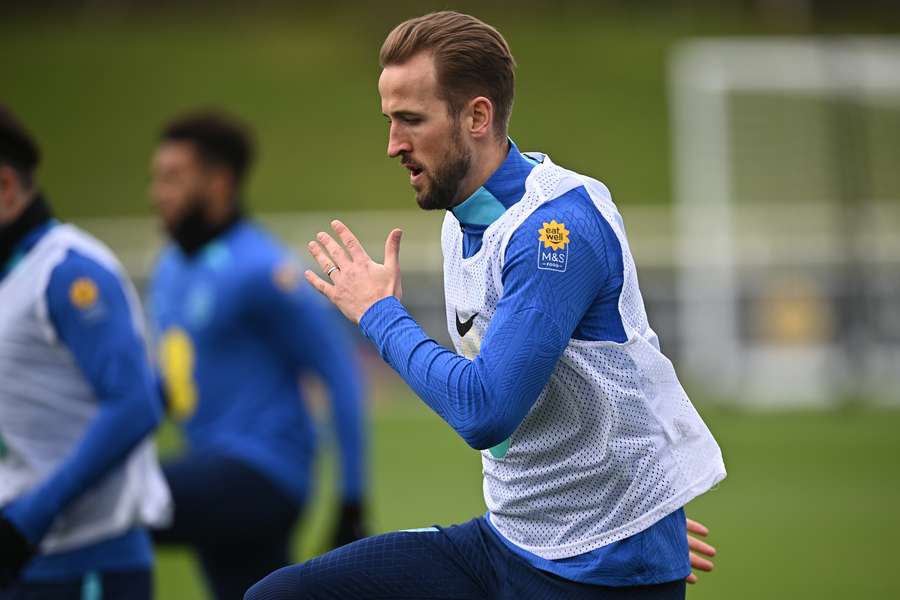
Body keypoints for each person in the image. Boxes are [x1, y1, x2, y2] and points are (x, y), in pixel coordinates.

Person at [246, 11, 726, 600]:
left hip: (595, 575)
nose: (393, 144)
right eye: (390, 120)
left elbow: (486, 410)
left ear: (477, 115)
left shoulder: (555, 229)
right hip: (516, 544)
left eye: (411, 120)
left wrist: (380, 315)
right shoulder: (463, 220)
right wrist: (643, 508)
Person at [147, 111, 368, 600]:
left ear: (220, 182)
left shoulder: (262, 270)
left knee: (100, 506)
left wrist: (352, 498)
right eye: (157, 178)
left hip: (261, 473)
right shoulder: (170, 270)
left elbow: (338, 370)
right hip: (210, 471)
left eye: (174, 178)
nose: (157, 193)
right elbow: (169, 383)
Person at [0, 106, 171, 599]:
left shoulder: (68, 272)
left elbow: (134, 404)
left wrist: (30, 518)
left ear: (6, 186)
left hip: (86, 565)